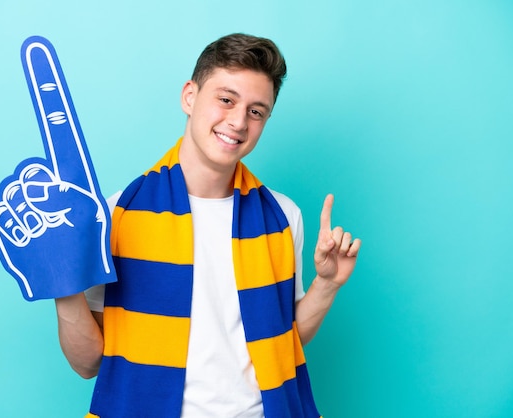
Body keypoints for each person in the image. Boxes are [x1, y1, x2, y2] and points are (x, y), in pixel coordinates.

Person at [54, 33, 361, 418]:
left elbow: (284, 347)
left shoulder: (283, 217)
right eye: (226, 99)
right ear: (189, 96)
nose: (237, 121)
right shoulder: (117, 215)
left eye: (256, 111)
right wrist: (60, 280)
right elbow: (88, 363)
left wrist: (327, 285)